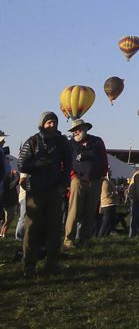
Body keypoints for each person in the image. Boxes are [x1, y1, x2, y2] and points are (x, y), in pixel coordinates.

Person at [18, 111, 73, 277]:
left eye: (54, 122)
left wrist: (63, 184)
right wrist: (37, 164)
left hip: (54, 189)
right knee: (32, 228)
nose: (52, 125)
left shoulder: (62, 141)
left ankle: (52, 263)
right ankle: (29, 266)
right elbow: (22, 165)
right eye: (49, 122)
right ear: (42, 124)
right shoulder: (33, 141)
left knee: (55, 228)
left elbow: (68, 164)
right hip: (35, 190)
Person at [63, 118, 108, 248]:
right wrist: (72, 177)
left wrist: (101, 173)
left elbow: (104, 158)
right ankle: (68, 239)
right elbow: (65, 162)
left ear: (86, 129)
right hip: (77, 180)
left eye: (78, 129)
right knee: (74, 211)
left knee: (90, 212)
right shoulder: (70, 144)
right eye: (73, 130)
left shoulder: (97, 141)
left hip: (95, 180)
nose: (76, 132)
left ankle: (85, 239)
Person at [97, 171, 119, 237]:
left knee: (111, 221)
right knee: (106, 222)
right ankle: (100, 236)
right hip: (107, 204)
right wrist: (114, 193)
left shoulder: (109, 181)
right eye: (110, 172)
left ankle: (106, 235)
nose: (111, 174)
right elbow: (106, 194)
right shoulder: (105, 182)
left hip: (112, 203)